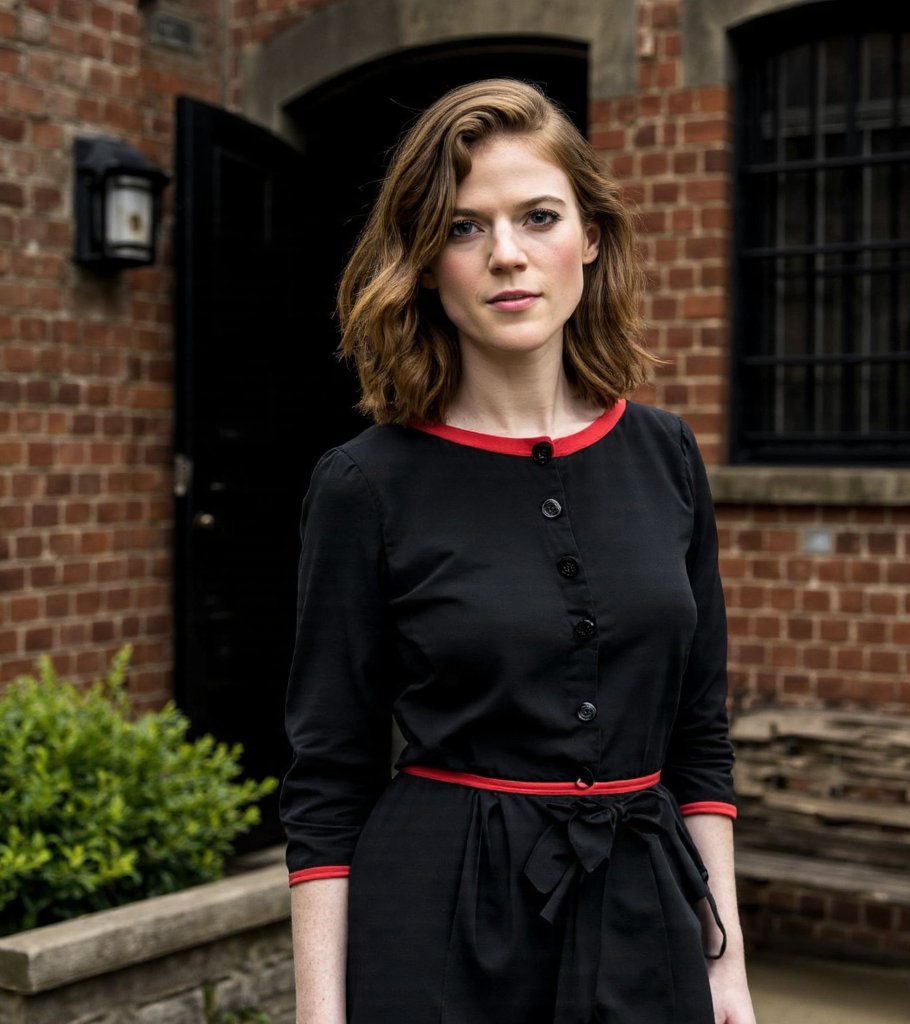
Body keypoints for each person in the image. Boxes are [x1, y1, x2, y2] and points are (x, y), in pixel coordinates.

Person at [280, 78, 757, 1024]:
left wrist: (728, 968)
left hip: (646, 914)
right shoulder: (364, 485)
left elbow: (701, 741)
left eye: (538, 216)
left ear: (589, 238)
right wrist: (318, 1016)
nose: (506, 256)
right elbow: (327, 781)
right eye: (463, 229)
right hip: (439, 928)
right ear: (423, 264)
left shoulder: (666, 455)